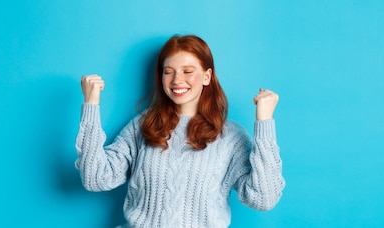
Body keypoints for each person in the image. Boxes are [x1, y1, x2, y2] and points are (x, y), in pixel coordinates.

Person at [75, 34, 285, 227]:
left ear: (206, 76)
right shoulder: (143, 126)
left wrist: (265, 122)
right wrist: (91, 106)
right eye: (169, 72)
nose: (177, 80)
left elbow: (264, 198)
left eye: (187, 71)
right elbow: (95, 178)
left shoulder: (230, 137)